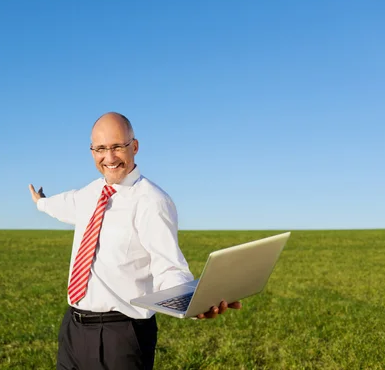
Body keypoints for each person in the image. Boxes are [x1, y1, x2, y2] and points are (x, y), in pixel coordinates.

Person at [28, 112, 241, 370]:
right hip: (73, 329)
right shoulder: (88, 194)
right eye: (101, 149)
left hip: (122, 336)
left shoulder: (151, 201)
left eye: (118, 147)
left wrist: (192, 304)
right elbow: (61, 205)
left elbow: (168, 267)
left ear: (135, 146)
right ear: (92, 151)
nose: (110, 157)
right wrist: (41, 202)